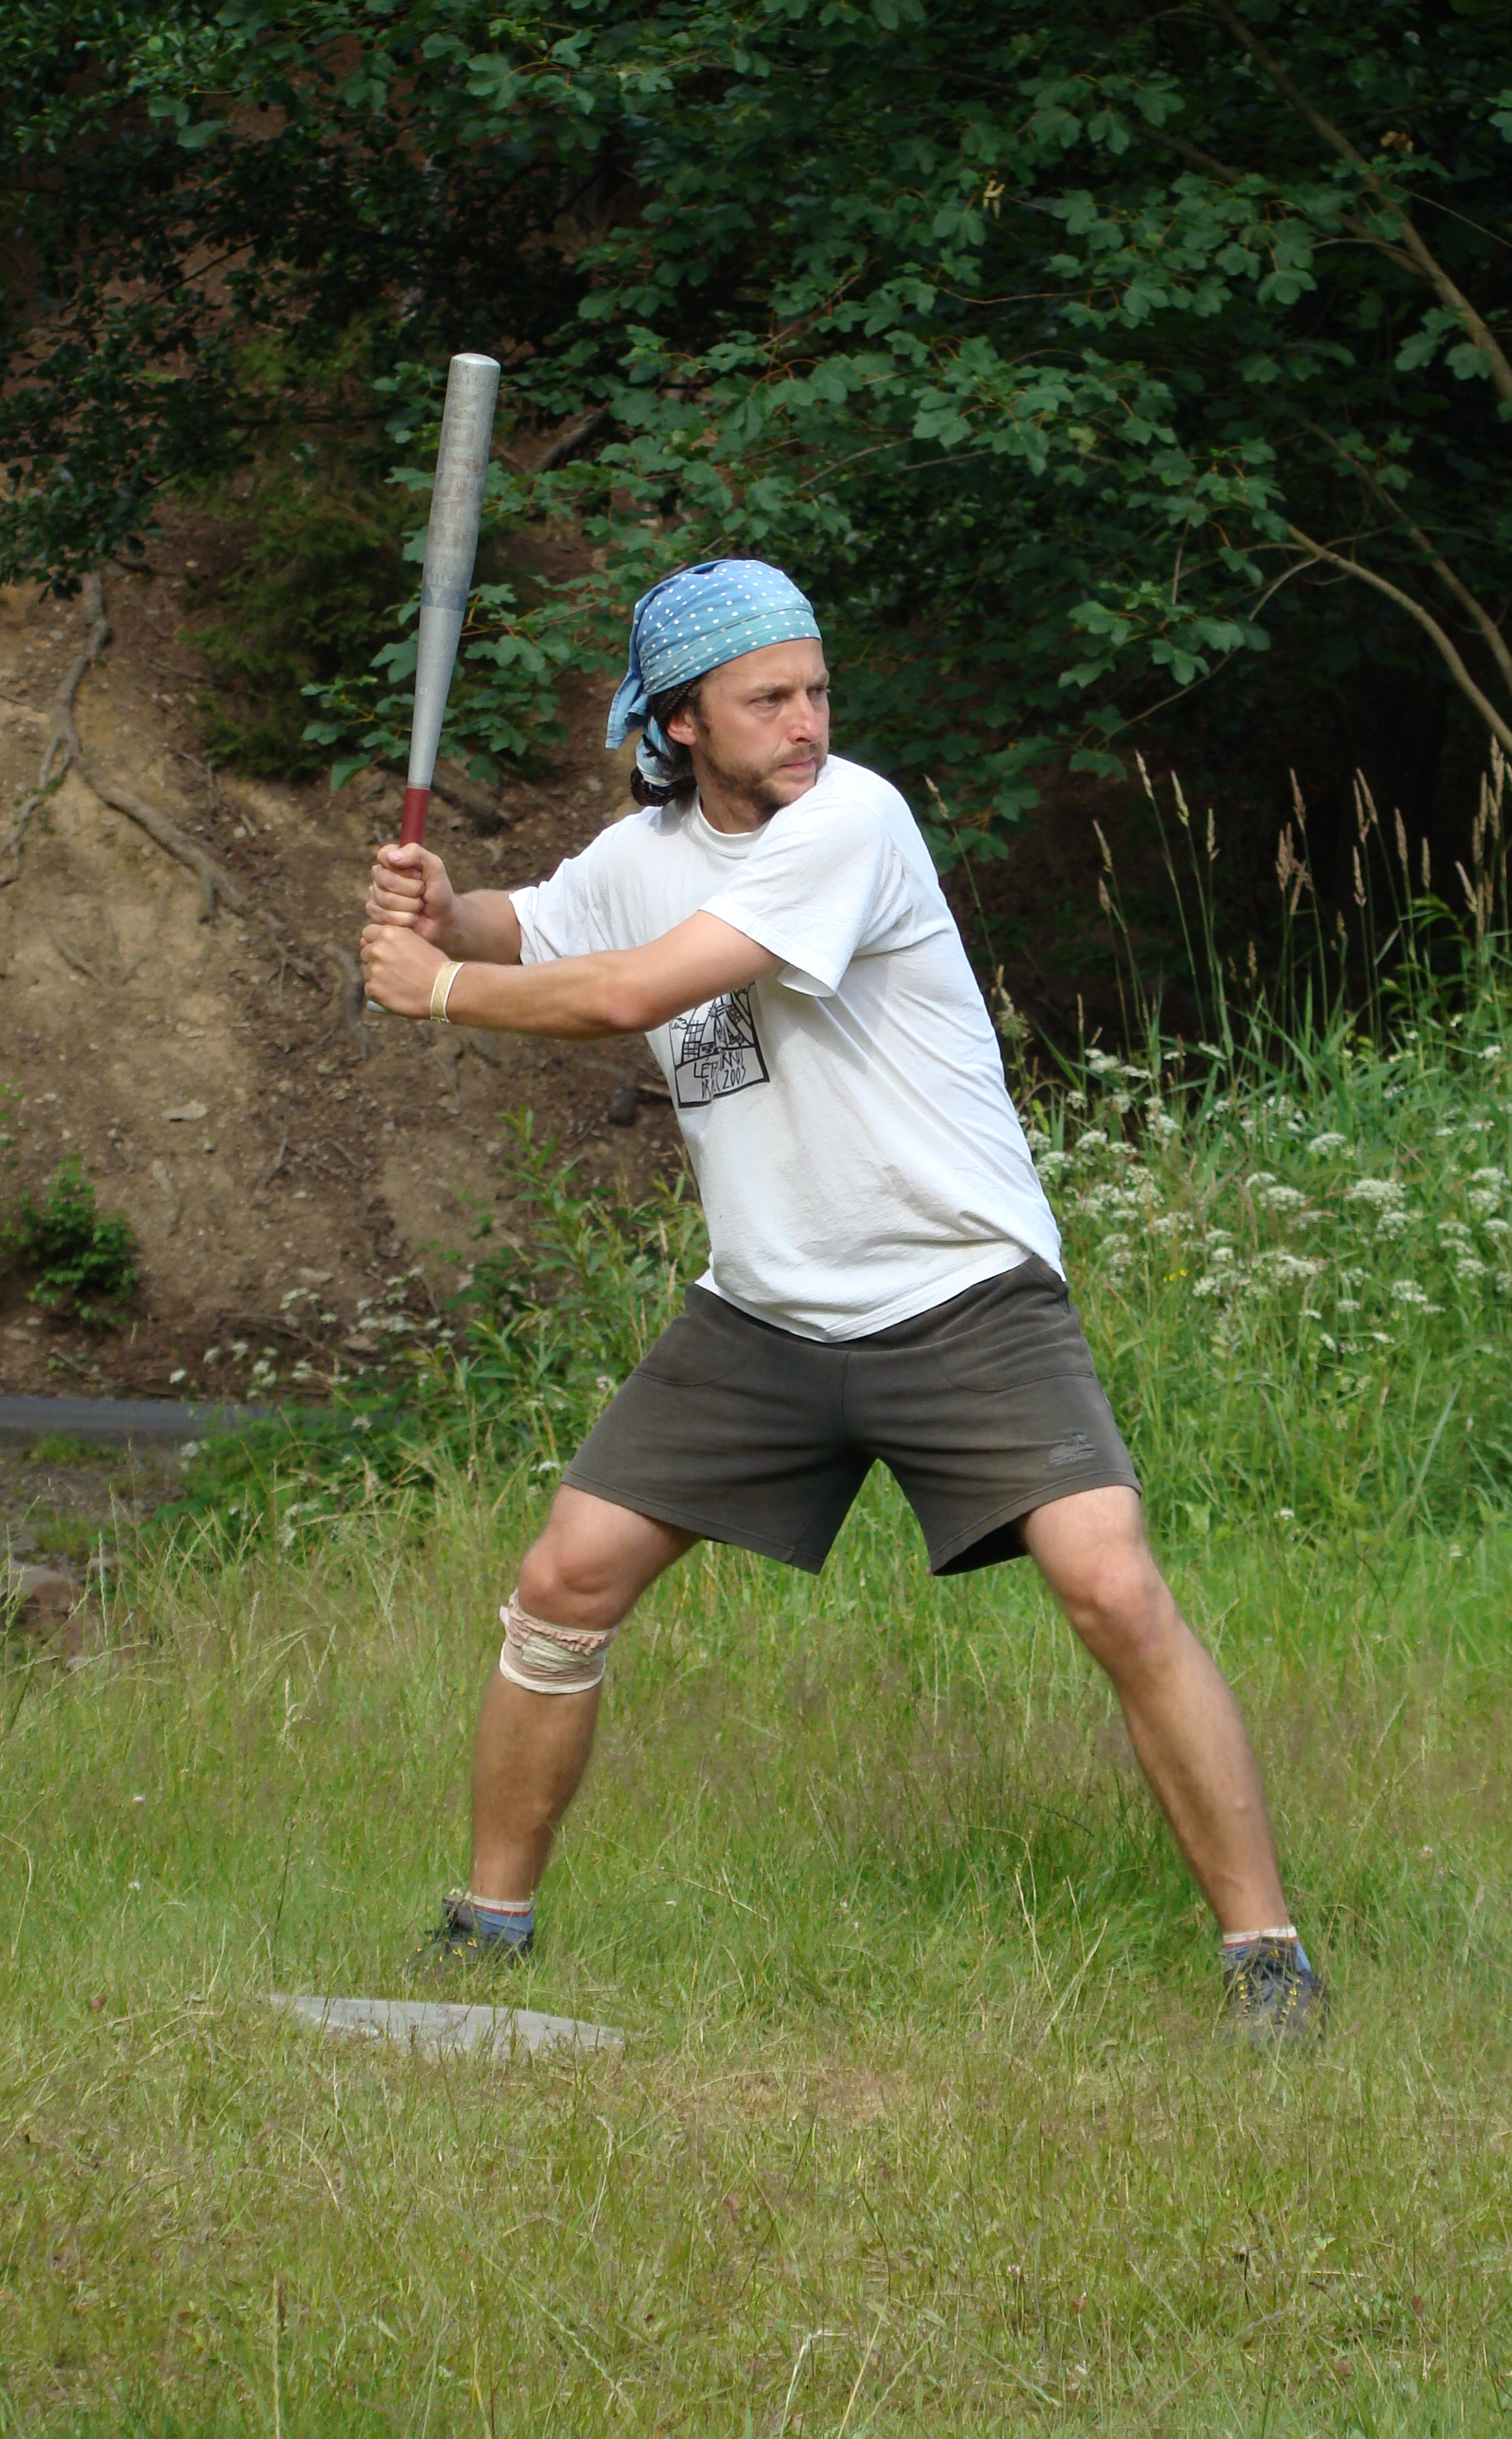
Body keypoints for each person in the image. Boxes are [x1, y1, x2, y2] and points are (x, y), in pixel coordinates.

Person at [360, 558, 1324, 2041]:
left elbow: (624, 994)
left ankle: (1267, 1960)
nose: (807, 721)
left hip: (962, 1291)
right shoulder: (643, 852)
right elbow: (540, 925)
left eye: (816, 690)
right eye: (768, 699)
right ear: (680, 722)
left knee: (1114, 1588)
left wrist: (432, 989)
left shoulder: (852, 819)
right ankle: (487, 1933)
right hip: (762, 1315)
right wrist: (448, 910)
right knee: (562, 1585)